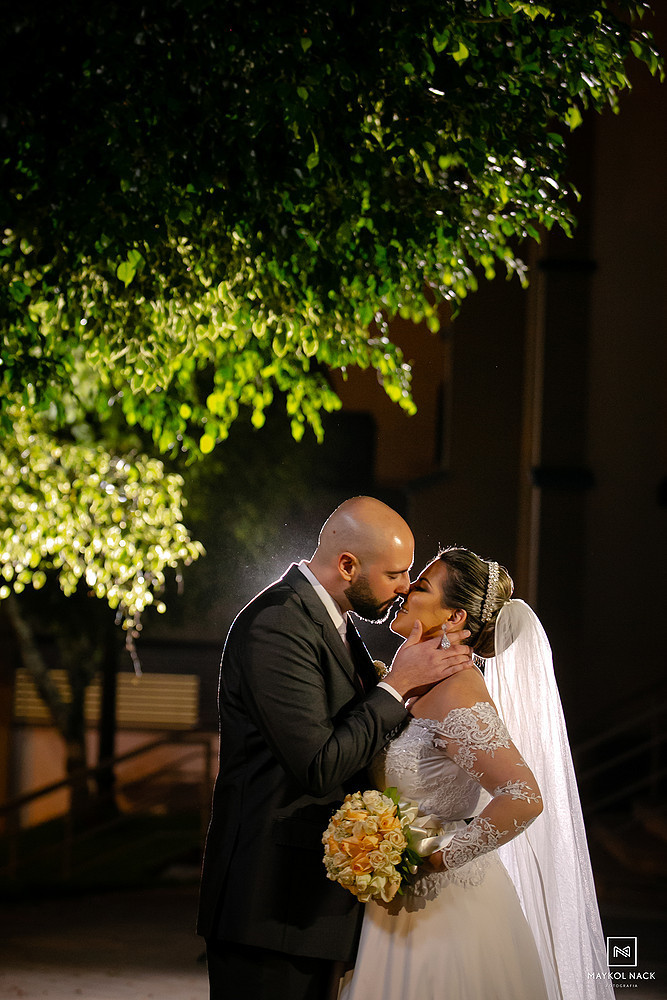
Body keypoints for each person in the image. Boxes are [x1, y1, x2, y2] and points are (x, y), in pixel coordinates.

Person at [197, 498, 474, 1000]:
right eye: (395, 573)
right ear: (348, 565)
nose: (405, 587)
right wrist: (395, 687)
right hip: (271, 905)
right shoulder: (278, 624)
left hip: (315, 906)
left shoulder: (337, 625)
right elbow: (319, 765)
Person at [339, 546, 613, 1000]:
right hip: (391, 905)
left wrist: (435, 858)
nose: (405, 591)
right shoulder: (415, 684)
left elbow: (524, 797)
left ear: (454, 617)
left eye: (421, 586)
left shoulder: (458, 692)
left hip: (443, 913)